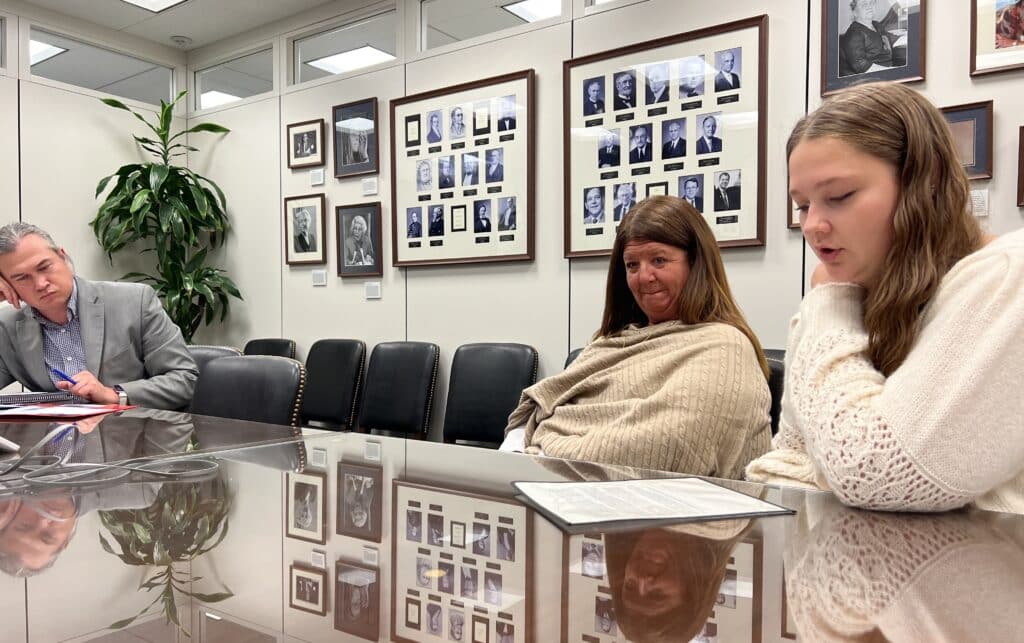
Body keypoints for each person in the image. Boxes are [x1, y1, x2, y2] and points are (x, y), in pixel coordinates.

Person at [744, 81, 1024, 513]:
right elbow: (788, 462)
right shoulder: (841, 299)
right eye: (802, 206)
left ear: (921, 186)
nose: (812, 226)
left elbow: (875, 471)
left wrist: (832, 301)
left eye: (839, 197)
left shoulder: (1008, 277)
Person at [501, 196, 771, 477]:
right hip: (558, 495)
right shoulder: (609, 343)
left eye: (659, 260)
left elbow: (670, 445)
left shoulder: (725, 347)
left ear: (696, 263)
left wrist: (545, 450)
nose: (644, 277)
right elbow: (541, 411)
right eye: (632, 265)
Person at [0, 223, 197, 410]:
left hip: (130, 438)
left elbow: (183, 379)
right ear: (8, 285)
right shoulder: (7, 327)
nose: (41, 283)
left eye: (44, 267)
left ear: (63, 257)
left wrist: (113, 395)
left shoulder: (135, 301)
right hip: (52, 442)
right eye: (22, 278)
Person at [839, 0, 899, 76]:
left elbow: (890, 39)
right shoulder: (854, 33)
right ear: (855, 13)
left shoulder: (877, 25)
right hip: (875, 75)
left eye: (871, 3)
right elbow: (860, 65)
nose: (869, 7)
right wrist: (891, 71)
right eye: (864, 4)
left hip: (891, 65)